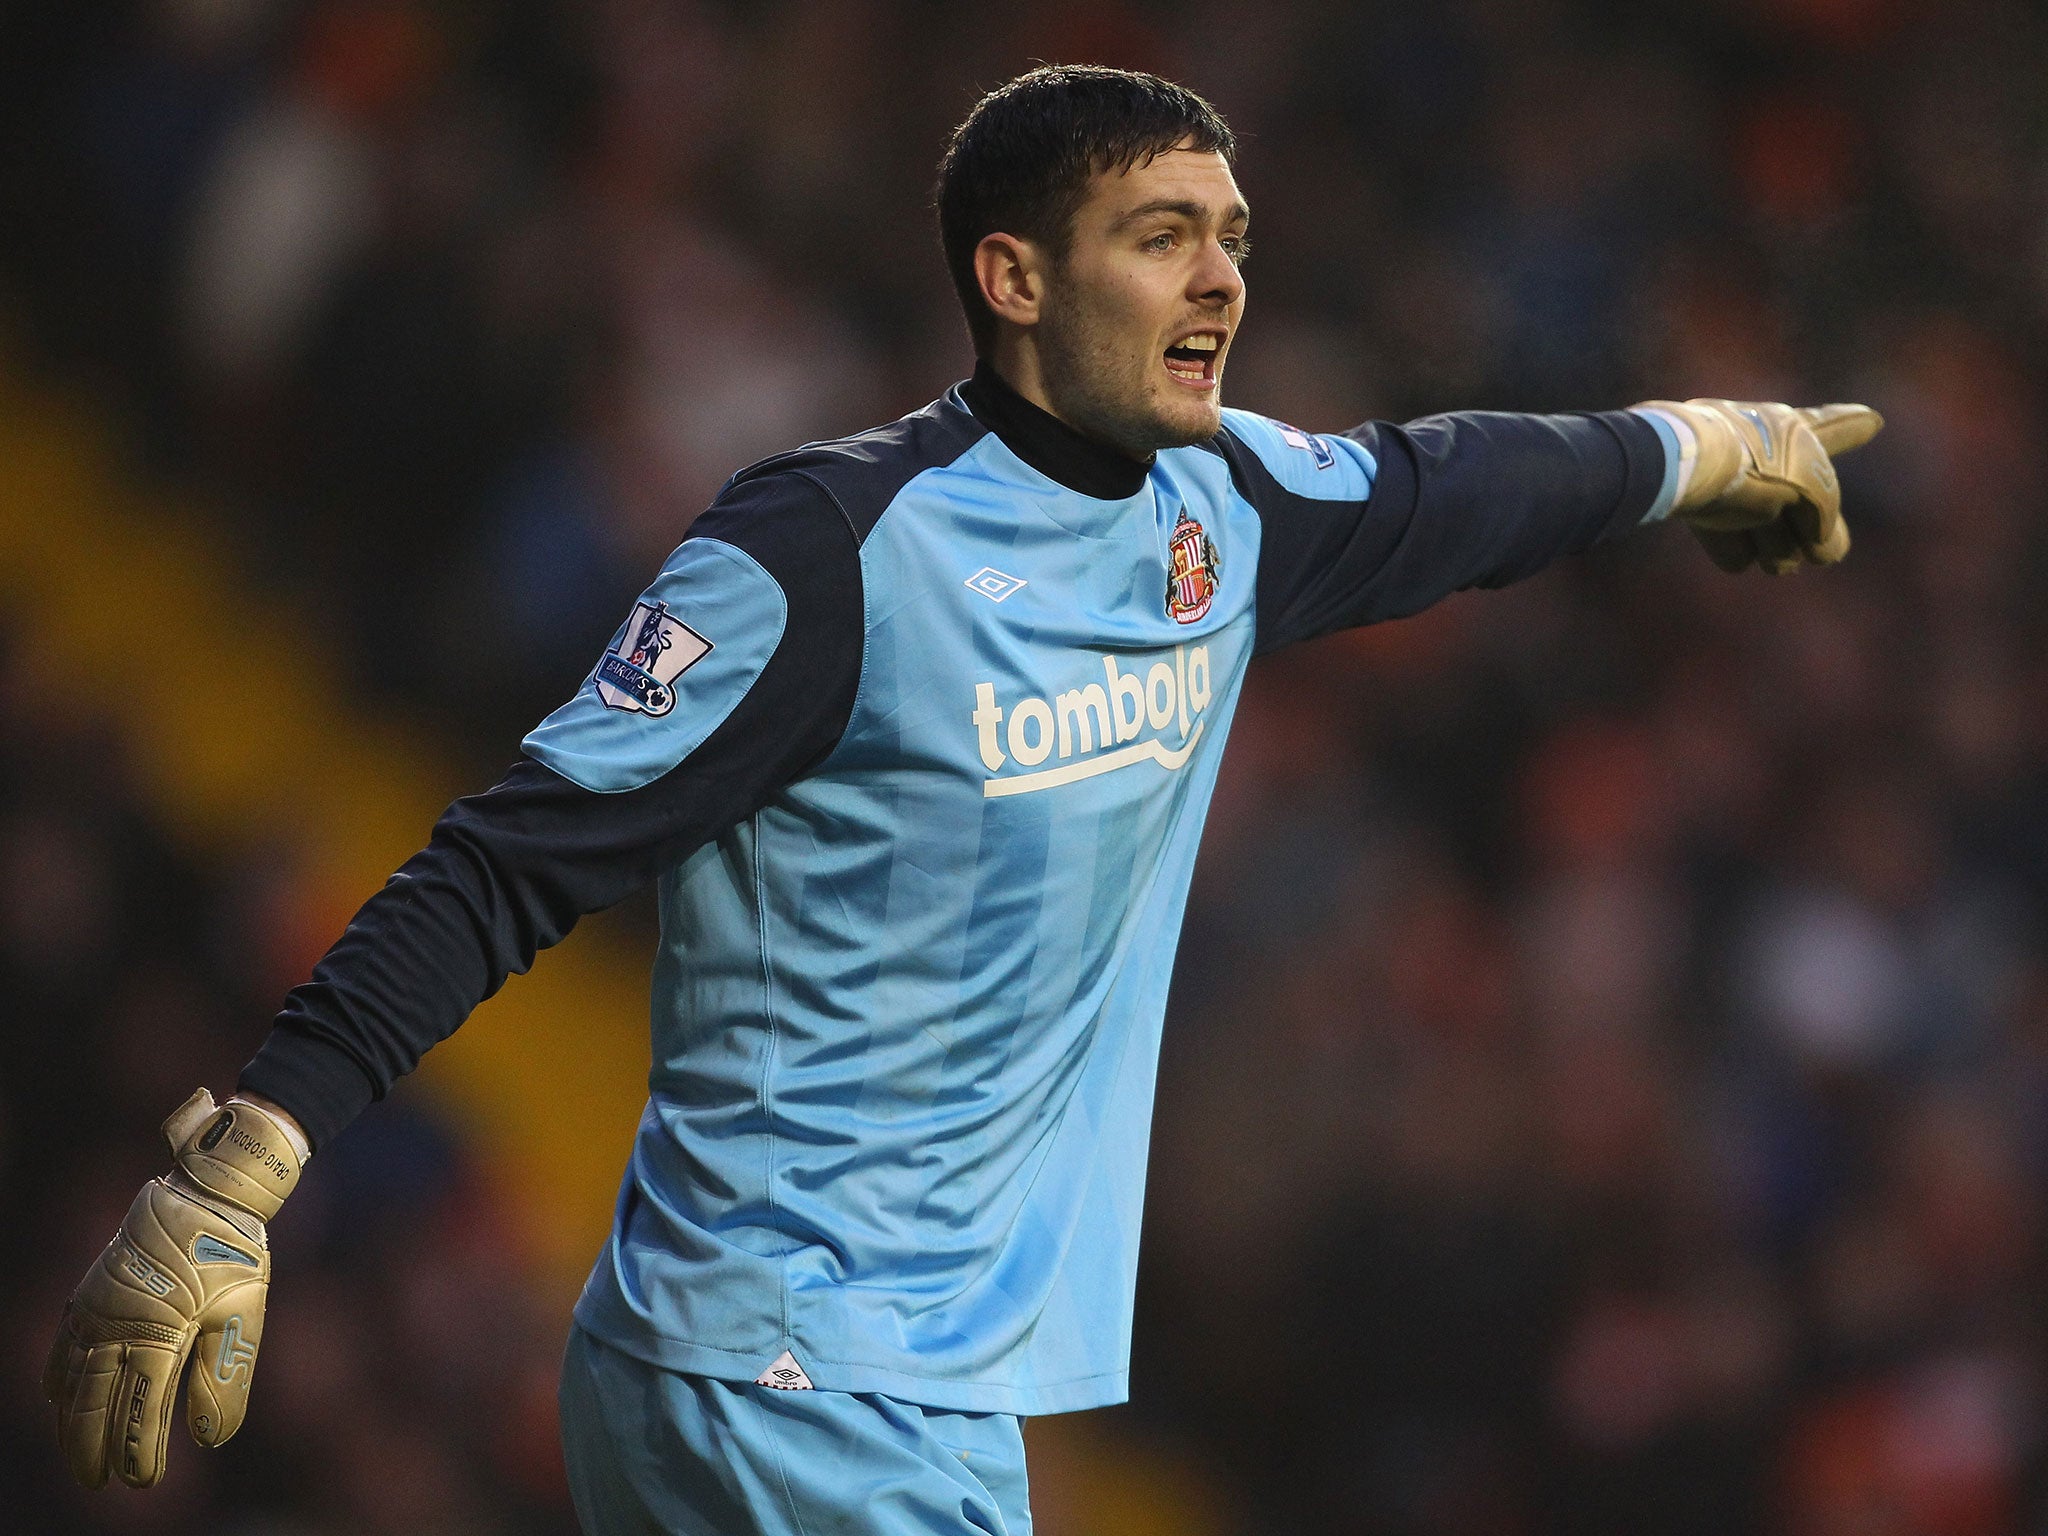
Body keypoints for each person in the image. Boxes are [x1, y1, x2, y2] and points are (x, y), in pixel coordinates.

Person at [46, 64, 1880, 1534]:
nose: (1225, 278)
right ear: (1012, 277)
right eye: (1162, 237)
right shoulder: (829, 550)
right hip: (791, 1379)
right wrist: (243, 1166)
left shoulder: (1225, 510)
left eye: (1231, 236)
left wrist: (1720, 447)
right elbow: (517, 856)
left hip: (865, 1383)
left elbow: (1466, 488)